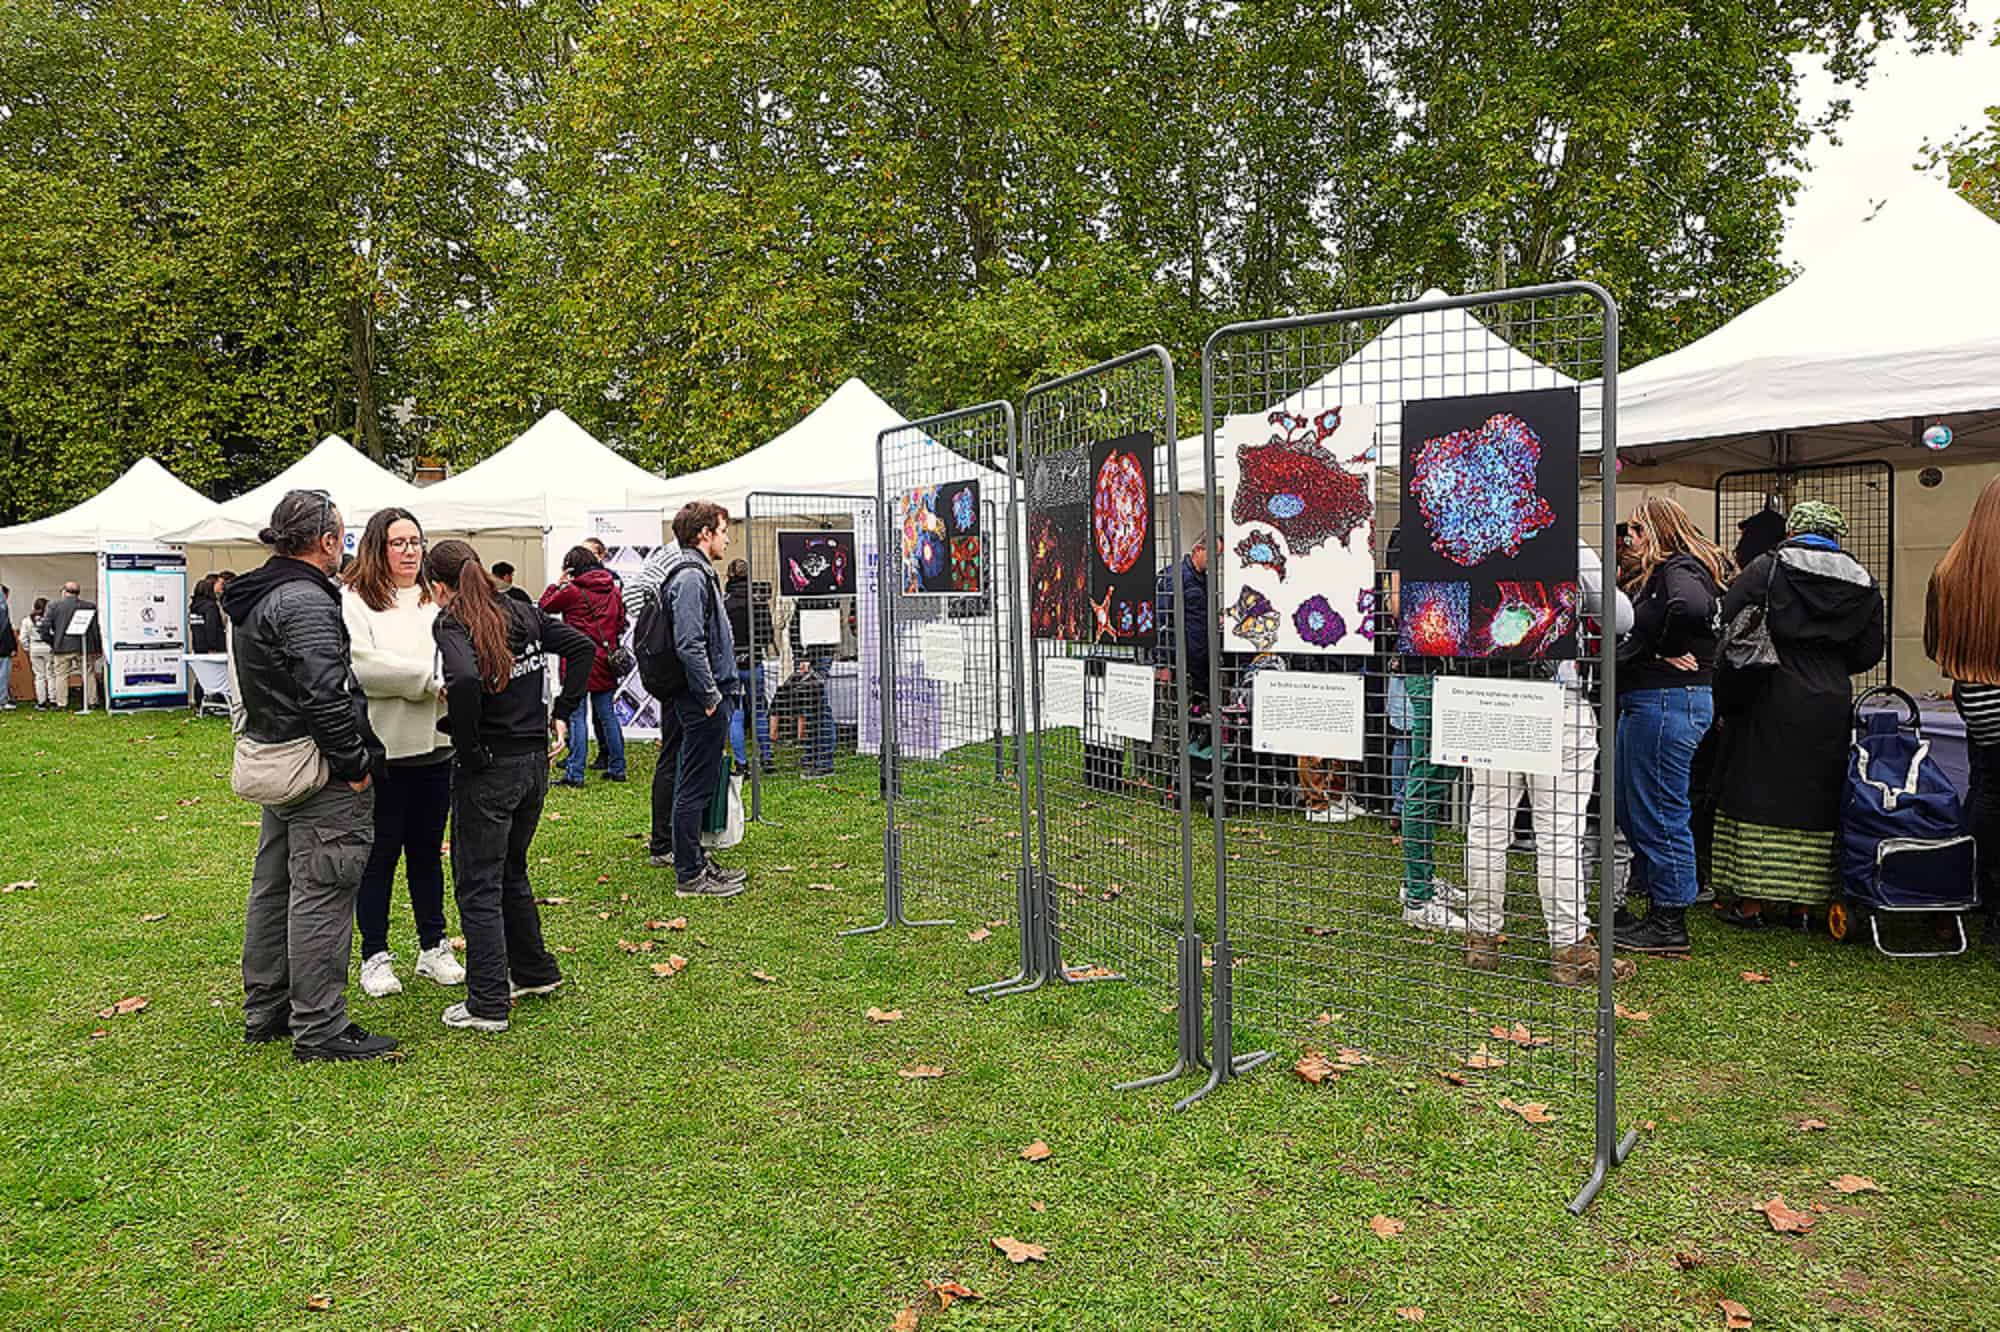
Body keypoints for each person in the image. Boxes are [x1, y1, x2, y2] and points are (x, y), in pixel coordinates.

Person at [222, 490, 394, 1061]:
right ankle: (319, 1025)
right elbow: (326, 695)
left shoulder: (255, 594)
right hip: (317, 770)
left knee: (274, 888)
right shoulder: (305, 602)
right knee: (322, 890)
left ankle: (267, 1007)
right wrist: (355, 767)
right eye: (341, 535)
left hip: (277, 759)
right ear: (326, 542)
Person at [425, 540, 591, 1032]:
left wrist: (471, 746)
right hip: (531, 763)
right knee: (511, 869)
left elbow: (465, 680)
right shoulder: (519, 609)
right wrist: (561, 713)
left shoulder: (454, 620)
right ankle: (534, 970)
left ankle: (488, 1002)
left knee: (477, 882)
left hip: (492, 766)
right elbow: (581, 648)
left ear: (437, 586)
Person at [1464, 540, 1635, 985]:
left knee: (1486, 823)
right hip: (1555, 699)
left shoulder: (1470, 540)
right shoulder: (1571, 545)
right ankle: (1569, 947)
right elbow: (1620, 618)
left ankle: (1481, 938)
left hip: (1487, 697)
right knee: (1559, 831)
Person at [1709, 503, 1884, 929]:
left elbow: (1731, 617)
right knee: (1815, 796)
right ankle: (1804, 908)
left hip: (1769, 688)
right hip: (1830, 697)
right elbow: (1868, 652)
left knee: (1758, 789)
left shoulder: (1767, 567)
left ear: (1794, 529)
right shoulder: (1863, 581)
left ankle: (1751, 904)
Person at [341, 508, 466, 998]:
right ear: (378, 547)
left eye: (415, 541)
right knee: (380, 855)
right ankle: (374, 954)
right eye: (399, 543)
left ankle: (433, 945)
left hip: (437, 745)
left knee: (427, 853)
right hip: (387, 748)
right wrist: (427, 680)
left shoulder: (435, 596)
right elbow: (361, 664)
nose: (410, 551)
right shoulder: (354, 599)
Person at [1613, 497, 1727, 955]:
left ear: (1656, 533)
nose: (1628, 539)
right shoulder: (1677, 570)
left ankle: (1669, 920)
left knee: (1660, 808)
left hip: (1665, 700)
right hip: (1658, 701)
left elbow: (1690, 608)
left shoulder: (1677, 569)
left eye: (1636, 531)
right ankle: (1662, 910)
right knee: (1639, 805)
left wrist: (1658, 648)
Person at [642, 501, 746, 897]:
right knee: (693, 785)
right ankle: (690, 874)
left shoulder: (697, 574)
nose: (727, 538)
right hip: (701, 697)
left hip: (704, 694)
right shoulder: (690, 578)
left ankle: (698, 862)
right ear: (704, 533)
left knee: (698, 782)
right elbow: (689, 644)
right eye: (722, 530)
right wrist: (709, 696)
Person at [1925, 476, 2000, 961]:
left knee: (1987, 790)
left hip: (1974, 691)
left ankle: (1980, 899)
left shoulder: (1950, 569)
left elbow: (1935, 647)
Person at [539, 544, 629, 787]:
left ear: (572, 568)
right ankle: (617, 767)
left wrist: (558, 583)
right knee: (608, 715)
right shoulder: (613, 589)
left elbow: (545, 606)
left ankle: (575, 773)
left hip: (578, 661)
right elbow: (621, 622)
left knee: (577, 716)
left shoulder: (573, 591)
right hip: (606, 661)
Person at [723, 558, 773, 771]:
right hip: (754, 661)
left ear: (729, 576)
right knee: (759, 710)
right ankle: (767, 757)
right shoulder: (758, 601)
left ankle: (742, 763)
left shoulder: (723, 602)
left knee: (735, 713)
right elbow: (768, 634)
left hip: (732, 662)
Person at [43, 580, 103, 710]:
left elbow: (44, 627)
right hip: (84, 647)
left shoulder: (54, 606)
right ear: (78, 593)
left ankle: (62, 703)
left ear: (64, 592)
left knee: (61, 676)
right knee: (88, 673)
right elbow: (95, 630)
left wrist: (52, 642)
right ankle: (92, 701)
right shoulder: (89, 606)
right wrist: (98, 648)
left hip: (62, 647)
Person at [26, 597, 58, 709]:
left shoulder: (27, 620)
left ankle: (41, 702)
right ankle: (53, 700)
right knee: (51, 674)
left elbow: (22, 638)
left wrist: (28, 648)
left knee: (39, 676)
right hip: (47, 647)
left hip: (34, 647)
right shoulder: (49, 619)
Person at [0, 585, 14, 709]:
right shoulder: (3, 612)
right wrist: (12, 647)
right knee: (3, 675)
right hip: (3, 650)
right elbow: (7, 631)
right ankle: (2, 701)